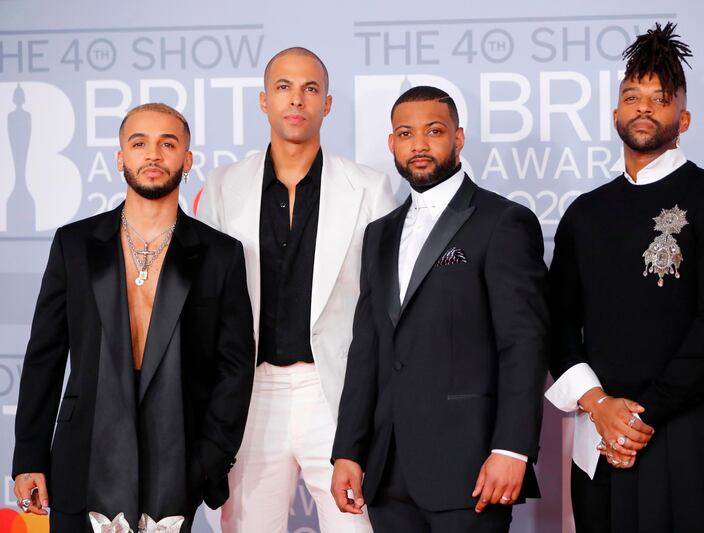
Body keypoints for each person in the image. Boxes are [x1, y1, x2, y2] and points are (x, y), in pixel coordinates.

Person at [545, 22, 704, 533]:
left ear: (683, 118)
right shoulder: (585, 213)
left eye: (659, 99)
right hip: (600, 436)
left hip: (686, 436)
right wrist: (598, 406)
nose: (644, 107)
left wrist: (639, 419)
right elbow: (557, 321)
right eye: (632, 96)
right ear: (616, 112)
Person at [11, 103, 255, 532]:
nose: (153, 155)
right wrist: (29, 457)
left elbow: (234, 369)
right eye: (139, 143)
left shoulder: (221, 254)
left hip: (176, 463)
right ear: (121, 157)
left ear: (188, 159)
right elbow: (44, 357)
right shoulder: (75, 244)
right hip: (81, 459)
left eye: (168, 143)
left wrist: (206, 460)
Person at [330, 86, 549, 533]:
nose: (420, 145)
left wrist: (512, 449)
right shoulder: (379, 234)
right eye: (406, 134)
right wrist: (348, 450)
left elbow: (523, 344)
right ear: (392, 143)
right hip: (388, 468)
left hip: (471, 468)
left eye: (434, 131)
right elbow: (367, 348)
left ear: (459, 138)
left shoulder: (502, 221)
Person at [197, 47, 395, 532]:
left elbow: (383, 309)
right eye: (284, 87)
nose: (297, 99)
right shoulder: (222, 186)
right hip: (251, 393)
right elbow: (206, 306)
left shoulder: (369, 188)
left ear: (327, 104)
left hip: (334, 392)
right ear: (264, 100)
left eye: (311, 88)